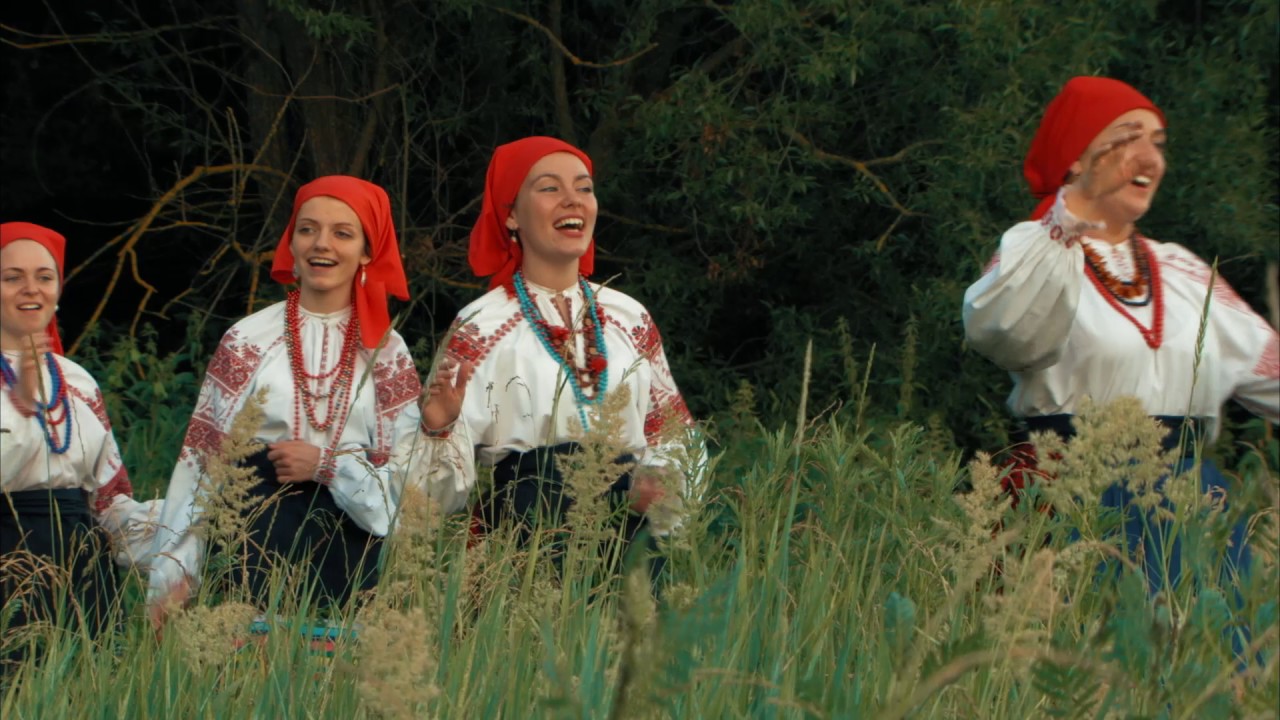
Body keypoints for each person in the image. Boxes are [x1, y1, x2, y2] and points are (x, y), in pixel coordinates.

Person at [962, 76, 1279, 592]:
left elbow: (1272, 371)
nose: (1150, 160)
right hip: (1075, 495)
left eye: (1157, 143)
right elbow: (1005, 333)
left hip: (1187, 502)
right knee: (1088, 663)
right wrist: (1076, 210)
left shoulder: (1182, 270)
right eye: (1128, 139)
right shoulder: (1037, 250)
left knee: (1208, 660)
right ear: (1076, 158)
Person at [418, 136, 703, 579]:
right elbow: (436, 495)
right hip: (528, 534)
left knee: (630, 646)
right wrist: (437, 429)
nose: (572, 199)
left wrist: (662, 483)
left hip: (627, 533)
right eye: (549, 188)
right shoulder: (480, 326)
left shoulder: (630, 317)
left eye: (584, 188)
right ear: (511, 214)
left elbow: (673, 433)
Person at [147, 176, 424, 627]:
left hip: (349, 548)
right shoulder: (247, 339)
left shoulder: (387, 351)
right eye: (308, 229)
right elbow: (202, 462)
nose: (322, 244)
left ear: (368, 252)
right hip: (253, 539)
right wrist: (175, 574)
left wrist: (329, 466)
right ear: (291, 242)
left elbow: (409, 477)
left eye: (343, 233)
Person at [1, 221, 160, 662]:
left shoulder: (77, 381)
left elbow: (108, 502)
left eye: (44, 277)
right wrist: (21, 401)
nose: (30, 289)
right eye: (12, 277)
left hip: (82, 576)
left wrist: (177, 533)